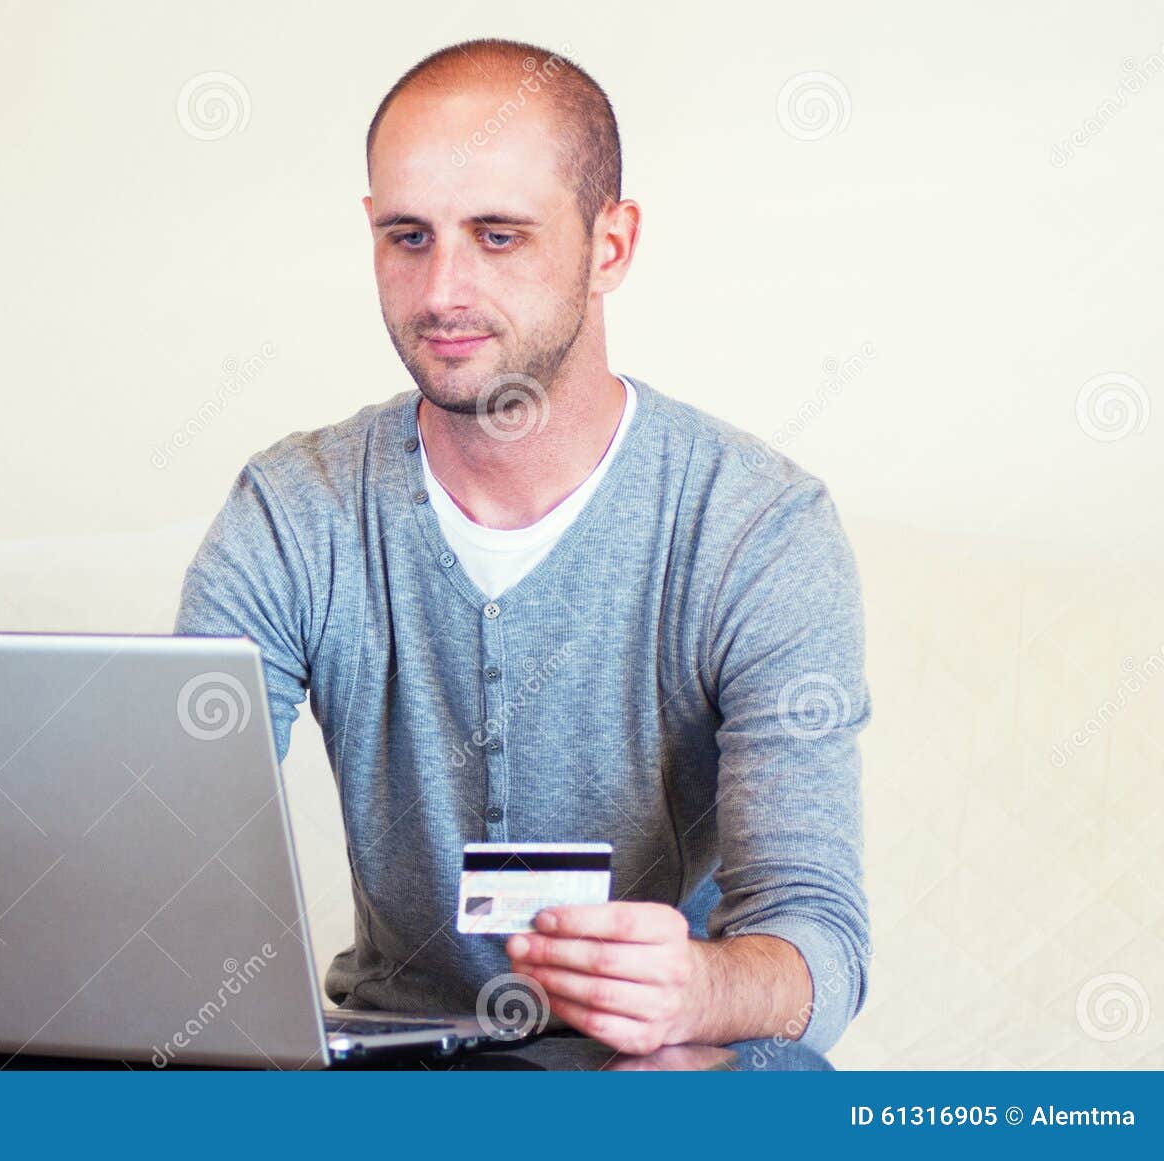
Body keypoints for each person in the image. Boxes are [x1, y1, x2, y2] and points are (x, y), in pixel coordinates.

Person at [174, 37, 871, 1056]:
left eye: (498, 237)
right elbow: (176, 846)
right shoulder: (293, 512)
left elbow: (817, 939)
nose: (442, 291)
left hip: (661, 1063)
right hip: (392, 1062)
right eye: (408, 238)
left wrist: (698, 991)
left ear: (610, 246)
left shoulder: (757, 527)